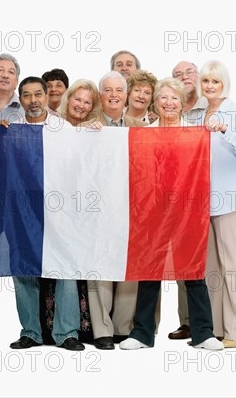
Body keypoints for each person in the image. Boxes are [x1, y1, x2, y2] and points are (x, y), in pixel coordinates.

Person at [119, 77, 223, 351]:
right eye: (163, 98)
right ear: (156, 102)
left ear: (182, 103)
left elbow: (204, 167)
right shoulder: (144, 133)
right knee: (148, 271)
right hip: (153, 211)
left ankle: (203, 333)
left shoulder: (194, 133)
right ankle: (142, 333)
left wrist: (211, 129)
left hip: (187, 211)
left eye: (174, 98)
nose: (168, 103)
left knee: (193, 271)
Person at [4, 76, 85, 351]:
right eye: (26, 95)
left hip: (60, 212)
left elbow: (79, 169)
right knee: (24, 269)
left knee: (65, 268)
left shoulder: (63, 129)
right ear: (21, 98)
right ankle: (30, 332)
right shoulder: (12, 130)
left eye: (38, 94)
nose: (33, 100)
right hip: (22, 213)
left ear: (46, 94)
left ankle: (67, 332)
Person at [80, 71, 146, 350]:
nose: (114, 95)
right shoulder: (87, 126)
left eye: (119, 90)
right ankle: (102, 330)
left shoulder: (139, 127)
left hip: (132, 206)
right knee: (99, 266)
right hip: (98, 207)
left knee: (130, 265)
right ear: (100, 95)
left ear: (126, 94)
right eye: (108, 90)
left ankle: (122, 327)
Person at [39, 78, 101, 345]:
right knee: (55, 265)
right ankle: (51, 329)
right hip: (51, 205)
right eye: (78, 99)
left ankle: (73, 330)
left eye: (88, 102)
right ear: (68, 98)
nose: (81, 105)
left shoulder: (98, 129)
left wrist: (93, 132)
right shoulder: (52, 125)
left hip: (84, 208)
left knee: (74, 266)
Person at [200, 60, 236, 349]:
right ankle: (219, 328)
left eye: (215, 82)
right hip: (202, 203)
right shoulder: (197, 113)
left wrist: (225, 131)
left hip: (229, 200)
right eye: (206, 81)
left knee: (233, 266)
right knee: (211, 268)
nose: (210, 86)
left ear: (224, 84)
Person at [167, 60, 209, 341]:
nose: (184, 77)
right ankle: (187, 323)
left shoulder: (208, 111)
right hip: (162, 203)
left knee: (197, 265)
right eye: (177, 75)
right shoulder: (153, 123)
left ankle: (206, 328)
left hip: (197, 198)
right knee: (165, 264)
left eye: (189, 72)